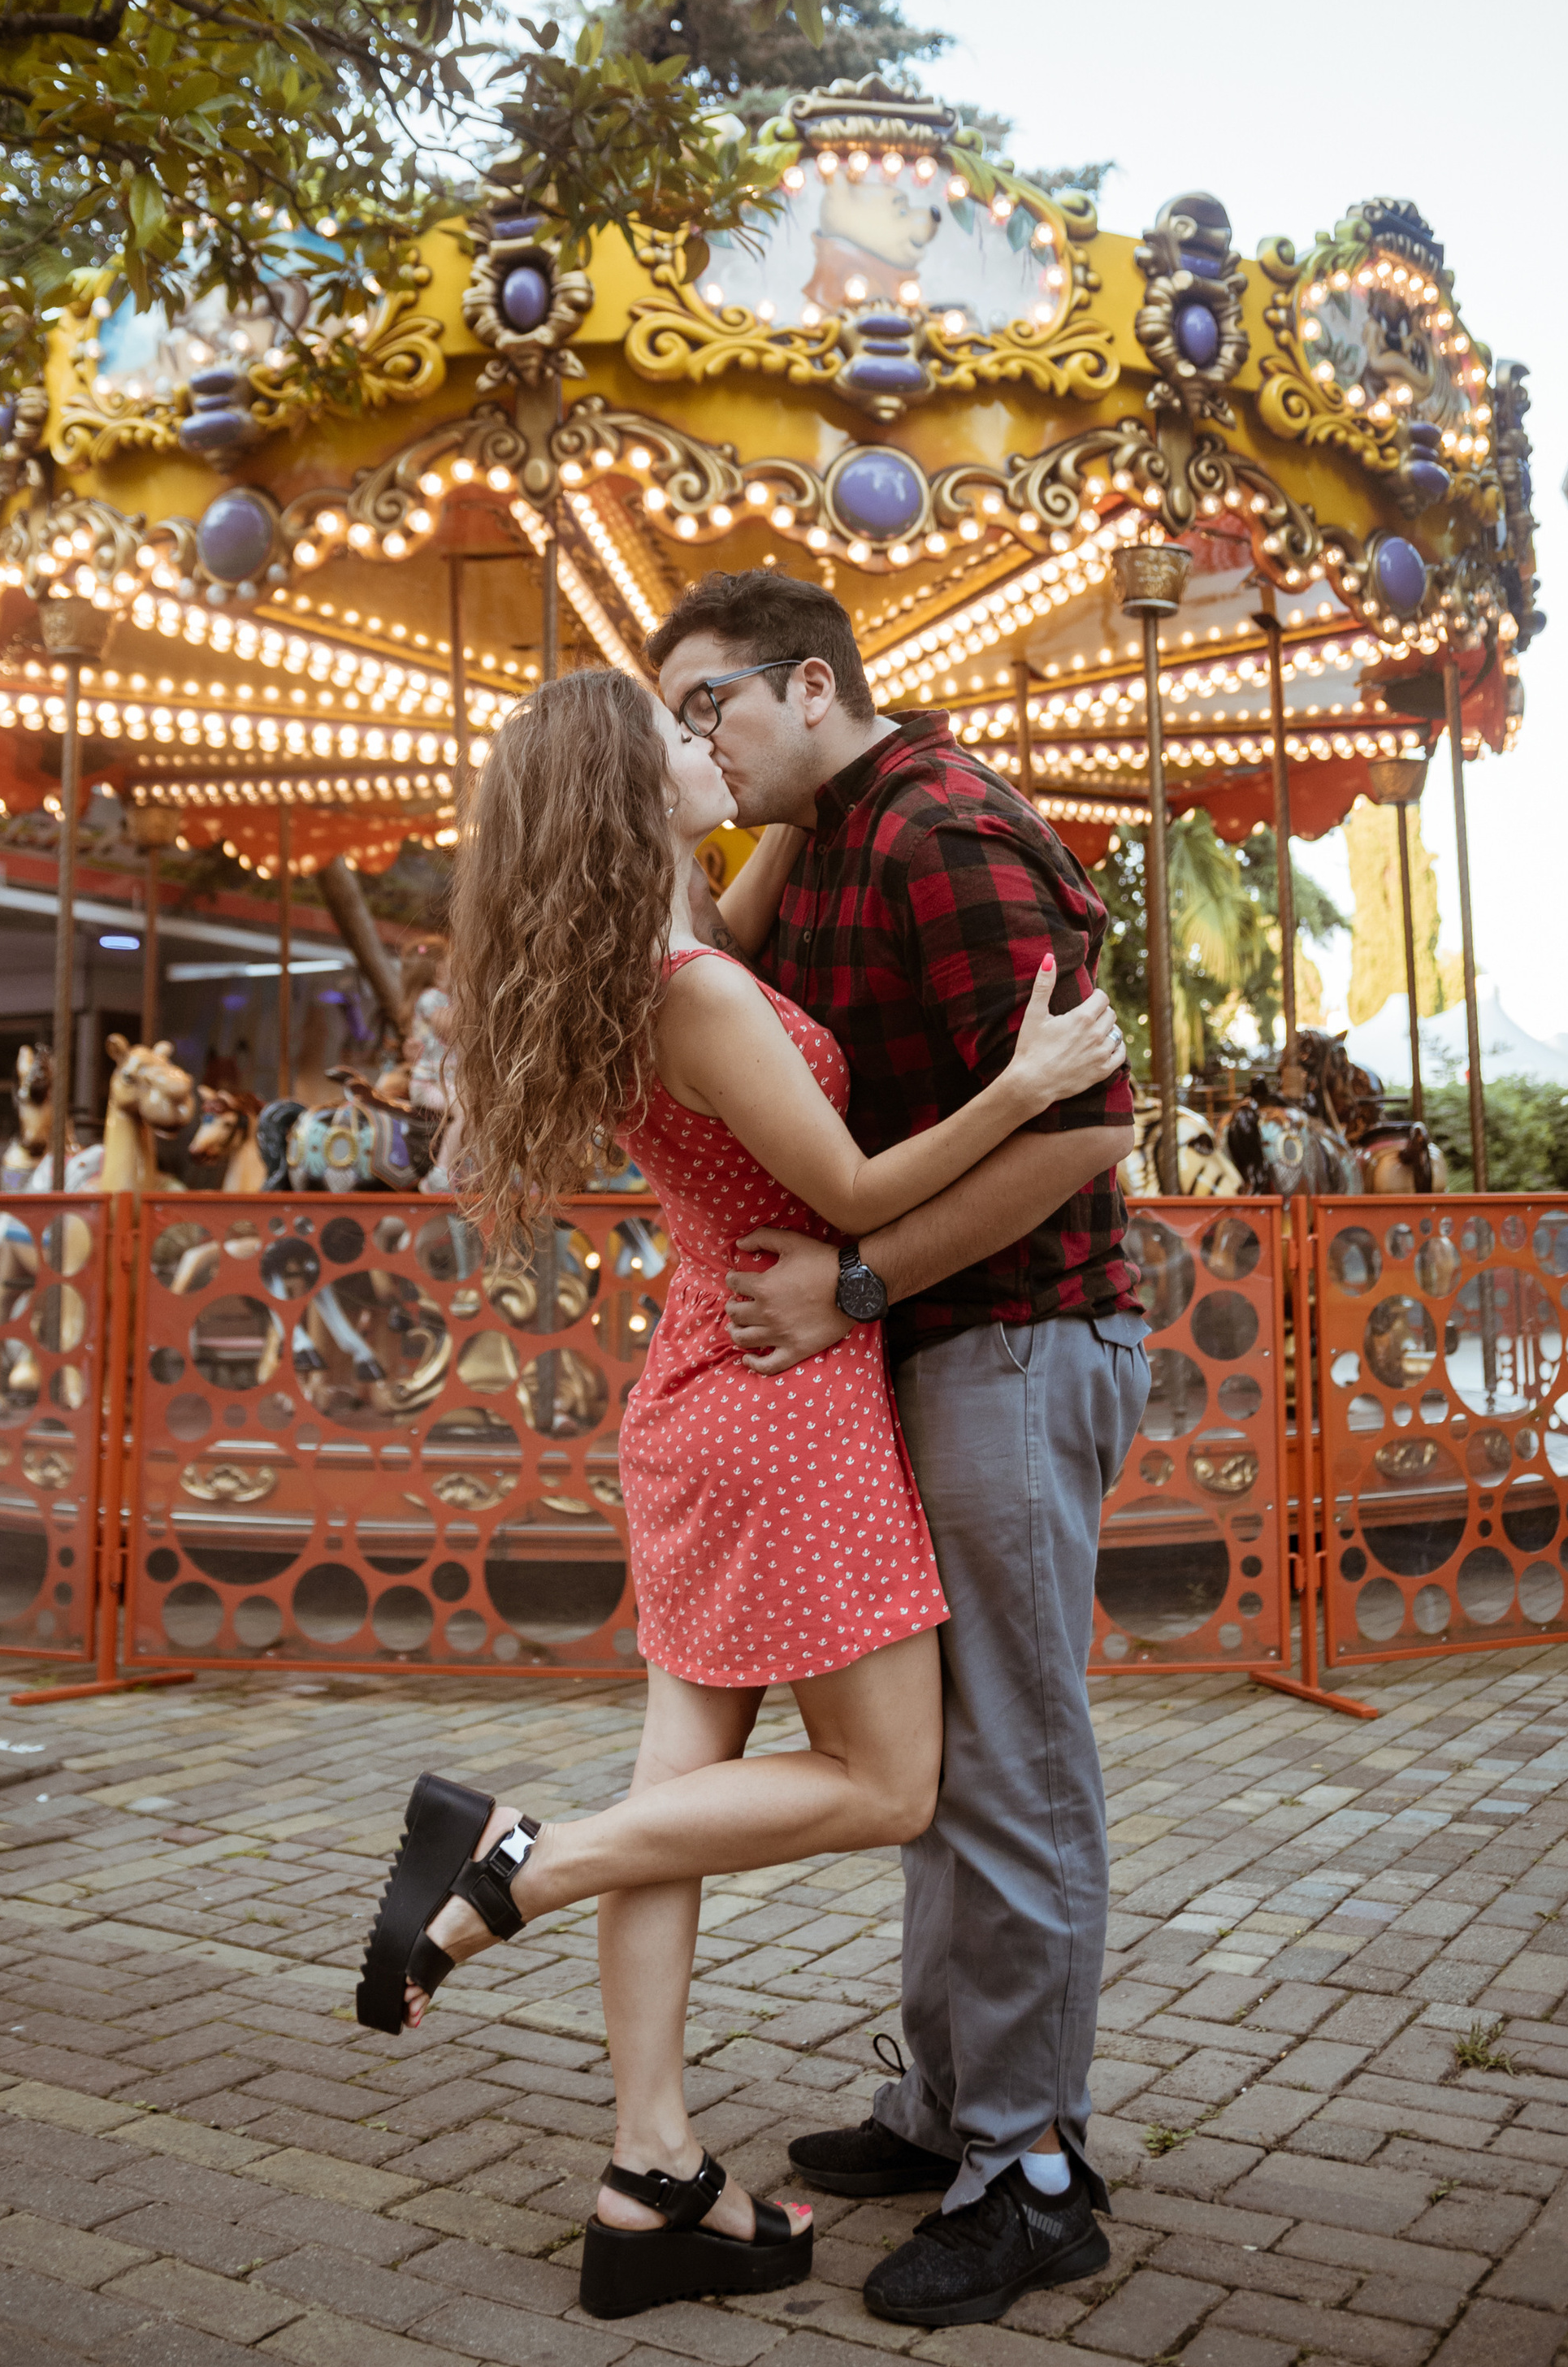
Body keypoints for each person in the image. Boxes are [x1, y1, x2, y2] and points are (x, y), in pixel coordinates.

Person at [353, 666, 1129, 2327]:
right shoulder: (694, 989)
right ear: (633, 801)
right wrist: (1019, 1086)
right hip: (787, 1396)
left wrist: (772, 790)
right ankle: (514, 1860)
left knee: (677, 1801)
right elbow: (845, 1190)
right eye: (673, 738)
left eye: (709, 716)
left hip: (697, 1385)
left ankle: (651, 2182)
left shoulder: (633, 957)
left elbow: (726, 866)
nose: (704, 746)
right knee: (888, 1783)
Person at [644, 568, 1147, 2334]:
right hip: (936, 1347)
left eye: (709, 704)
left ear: (805, 682)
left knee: (1007, 1757)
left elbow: (1084, 1129)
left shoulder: (938, 831)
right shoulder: (840, 826)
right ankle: (949, 2106)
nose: (691, 739)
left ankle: (1031, 2171)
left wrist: (856, 1280)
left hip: (1012, 1335)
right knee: (936, 1758)